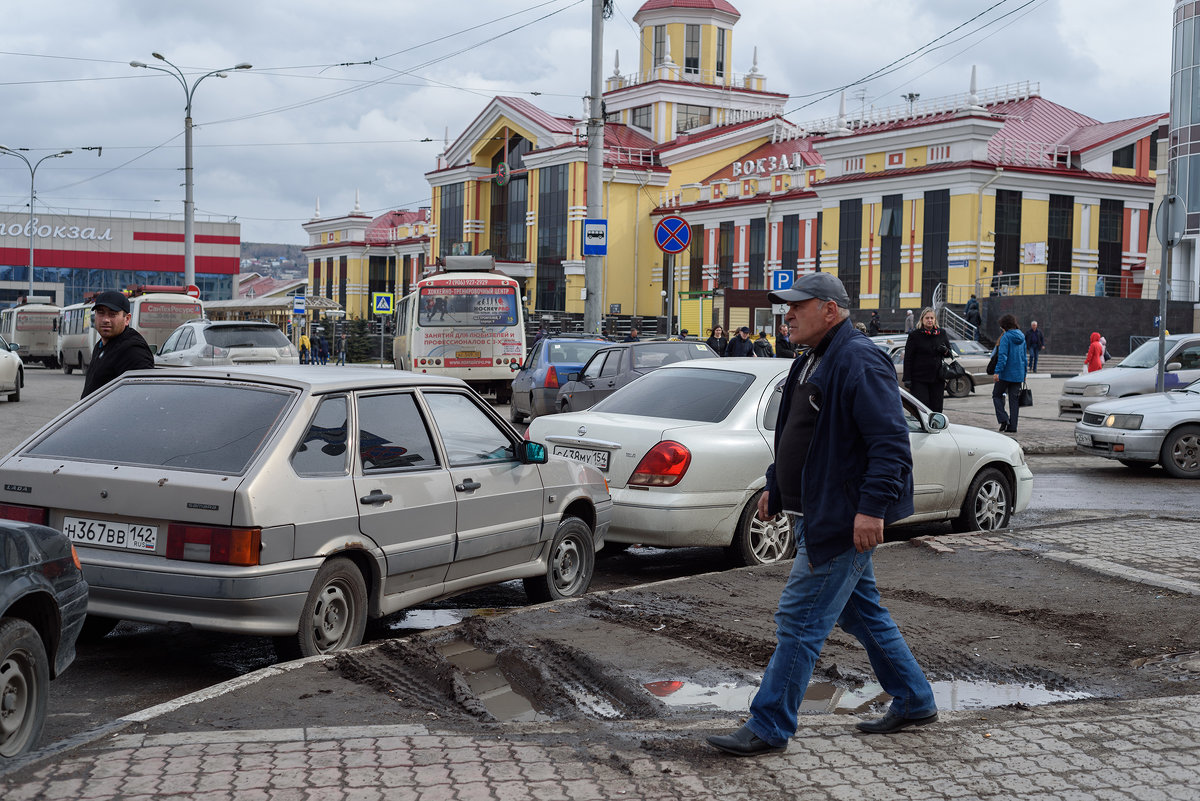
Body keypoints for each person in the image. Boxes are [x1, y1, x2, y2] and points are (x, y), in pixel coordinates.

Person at [705, 272, 934, 757]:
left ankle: (769, 725)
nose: (786, 315)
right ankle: (915, 699)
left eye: (797, 306)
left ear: (829, 310)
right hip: (817, 512)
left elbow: (891, 444)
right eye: (785, 307)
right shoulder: (811, 359)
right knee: (863, 613)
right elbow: (796, 435)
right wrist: (776, 485)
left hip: (841, 519)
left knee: (800, 619)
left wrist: (872, 509)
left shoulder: (859, 359)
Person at [81, 290, 155, 398]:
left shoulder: (133, 350)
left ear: (127, 319)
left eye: (112, 314)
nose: (106, 319)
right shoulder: (101, 345)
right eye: (101, 313)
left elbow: (141, 397)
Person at [902, 307, 952, 412]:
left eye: (932, 318)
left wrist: (945, 350)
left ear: (935, 320)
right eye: (927, 318)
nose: (929, 320)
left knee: (937, 408)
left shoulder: (941, 333)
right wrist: (907, 378)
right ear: (922, 320)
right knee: (922, 408)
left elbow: (949, 354)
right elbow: (908, 358)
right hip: (919, 379)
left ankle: (937, 428)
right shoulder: (915, 335)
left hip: (937, 379)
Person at [992, 313, 1027, 433]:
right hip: (1018, 374)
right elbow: (1024, 357)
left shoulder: (1006, 336)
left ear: (1004, 325)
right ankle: (1013, 427)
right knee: (1014, 401)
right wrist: (1024, 374)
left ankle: (1004, 418)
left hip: (1006, 374)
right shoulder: (1022, 336)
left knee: (996, 395)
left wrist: (997, 372)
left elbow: (1003, 356)